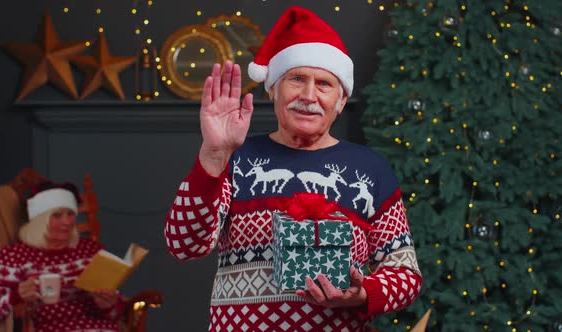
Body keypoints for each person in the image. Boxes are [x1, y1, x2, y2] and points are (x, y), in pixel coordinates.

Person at [164, 6, 422, 331]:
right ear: (272, 89)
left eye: (325, 84)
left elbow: (405, 274)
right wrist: (214, 154)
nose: (309, 95)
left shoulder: (369, 169)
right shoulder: (237, 157)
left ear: (342, 100)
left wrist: (362, 293)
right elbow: (184, 245)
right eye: (297, 79)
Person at [0, 181, 126, 332]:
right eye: (57, 216)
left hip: (98, 327)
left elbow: (118, 314)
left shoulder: (91, 250)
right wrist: (16, 295)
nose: (67, 222)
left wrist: (107, 304)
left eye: (70, 214)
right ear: (39, 220)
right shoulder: (15, 255)